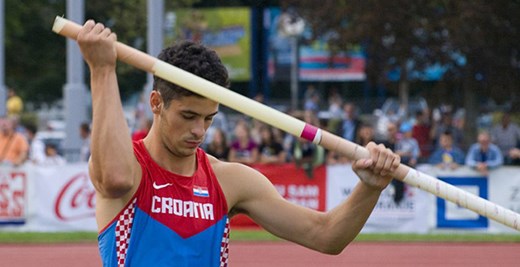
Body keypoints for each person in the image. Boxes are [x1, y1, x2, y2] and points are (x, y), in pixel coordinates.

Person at [76, 20, 400, 266]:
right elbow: (115, 179)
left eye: (209, 118)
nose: (199, 131)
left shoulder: (229, 180)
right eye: (188, 116)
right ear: (157, 103)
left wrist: (369, 188)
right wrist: (102, 70)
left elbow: (326, 235)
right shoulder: (130, 167)